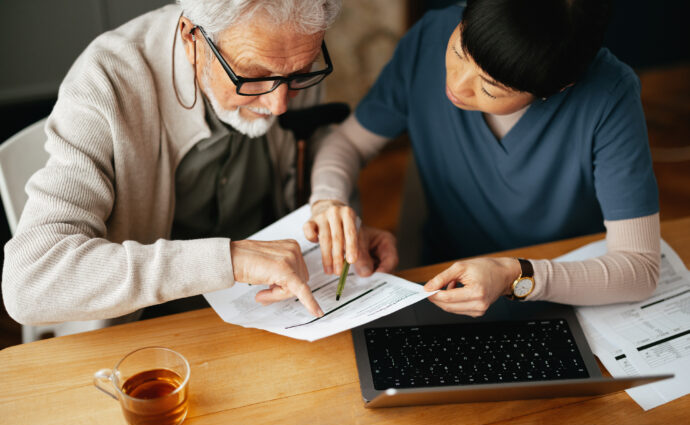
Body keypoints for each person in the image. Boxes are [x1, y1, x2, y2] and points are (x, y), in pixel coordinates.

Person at [2, 0, 365, 326]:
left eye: (300, 74)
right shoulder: (108, 79)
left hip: (272, 309)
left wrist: (332, 214)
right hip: (147, 329)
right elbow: (30, 281)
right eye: (253, 77)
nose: (280, 105)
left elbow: (316, 140)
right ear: (192, 39)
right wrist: (229, 259)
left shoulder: (286, 58)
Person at [305, 0, 661, 317]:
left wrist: (513, 275)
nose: (456, 86)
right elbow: (348, 143)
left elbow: (639, 269)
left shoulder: (608, 95)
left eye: (490, 87)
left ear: (557, 88)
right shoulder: (431, 34)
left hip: (564, 295)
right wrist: (328, 200)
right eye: (459, 51)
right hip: (443, 286)